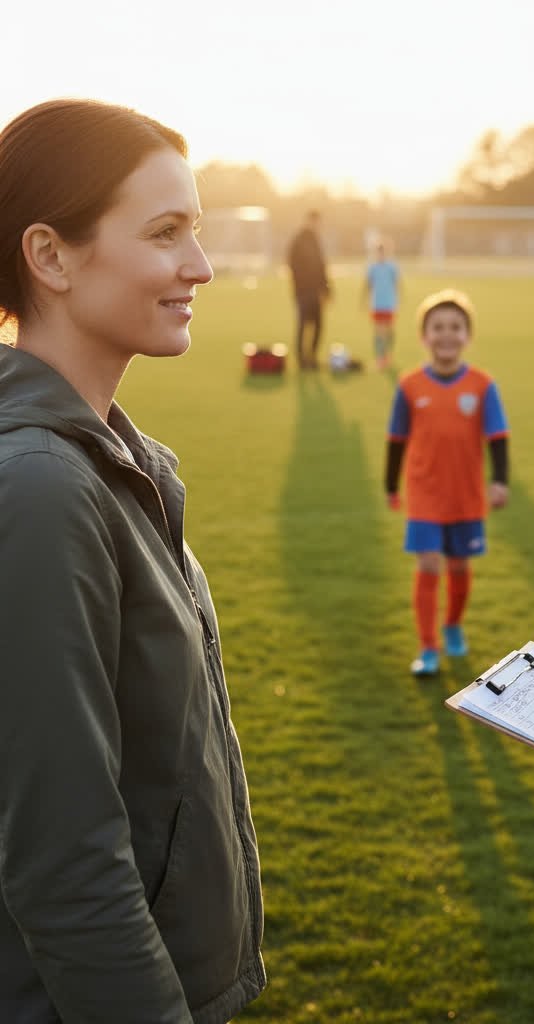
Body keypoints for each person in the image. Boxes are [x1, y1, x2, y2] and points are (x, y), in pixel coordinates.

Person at [0, 99, 266, 1022]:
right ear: (50, 256)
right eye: (164, 233)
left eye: (195, 228)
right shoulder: (41, 490)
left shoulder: (110, 458)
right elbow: (65, 861)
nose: (201, 265)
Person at [385, 289, 509, 676]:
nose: (446, 335)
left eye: (455, 327)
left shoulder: (483, 385)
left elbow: (498, 437)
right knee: (428, 563)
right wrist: (391, 485)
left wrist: (500, 481)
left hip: (465, 495)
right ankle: (428, 647)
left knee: (458, 566)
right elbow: (396, 439)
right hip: (424, 493)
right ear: (424, 336)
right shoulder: (409, 386)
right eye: (437, 327)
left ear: (467, 335)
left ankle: (453, 625)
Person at [286, 209, 330, 369]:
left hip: (316, 291)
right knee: (303, 325)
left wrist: (326, 288)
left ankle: (312, 357)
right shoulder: (298, 240)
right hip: (302, 291)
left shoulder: (316, 240)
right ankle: (301, 360)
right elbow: (292, 264)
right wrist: (300, 284)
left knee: (318, 325)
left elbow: (321, 265)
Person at [363, 239, 400, 370]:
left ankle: (388, 356)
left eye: (383, 252)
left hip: (389, 304)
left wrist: (396, 302)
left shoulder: (392, 267)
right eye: (379, 252)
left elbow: (397, 284)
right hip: (377, 305)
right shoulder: (372, 268)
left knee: (389, 331)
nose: (381, 254)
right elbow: (368, 285)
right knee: (378, 332)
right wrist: (364, 300)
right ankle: (379, 358)